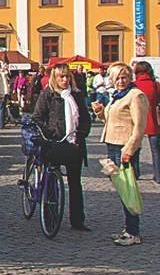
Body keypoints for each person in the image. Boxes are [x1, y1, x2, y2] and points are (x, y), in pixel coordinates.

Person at [32, 64, 92, 231]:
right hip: (54, 143)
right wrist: (50, 132)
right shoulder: (48, 94)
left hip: (74, 144)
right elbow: (37, 117)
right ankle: (50, 217)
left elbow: (85, 119)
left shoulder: (76, 95)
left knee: (75, 183)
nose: (65, 80)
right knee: (52, 180)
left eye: (67, 77)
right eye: (61, 77)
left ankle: (78, 220)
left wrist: (81, 134)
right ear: (55, 78)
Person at [94, 62, 149, 245]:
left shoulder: (136, 96)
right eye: (117, 78)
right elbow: (112, 120)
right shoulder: (117, 96)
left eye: (124, 77)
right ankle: (128, 228)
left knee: (128, 189)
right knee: (122, 189)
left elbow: (140, 127)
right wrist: (101, 113)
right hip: (113, 144)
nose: (120, 81)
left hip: (124, 147)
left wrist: (129, 150)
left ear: (130, 77)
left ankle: (133, 232)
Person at [133, 60, 160, 183]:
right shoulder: (154, 84)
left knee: (135, 148)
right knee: (156, 150)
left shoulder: (134, 85)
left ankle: (135, 173)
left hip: (138, 120)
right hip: (153, 119)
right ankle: (159, 176)